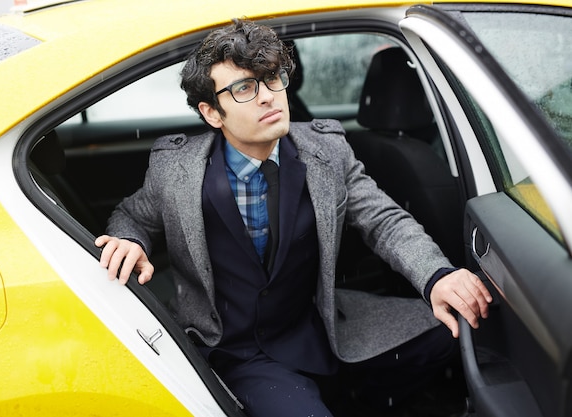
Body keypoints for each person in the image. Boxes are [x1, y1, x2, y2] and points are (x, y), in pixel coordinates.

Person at [95, 19, 492, 417]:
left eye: (272, 78)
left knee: (459, 326)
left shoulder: (326, 151)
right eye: (244, 88)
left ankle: (365, 398)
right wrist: (130, 240)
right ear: (212, 112)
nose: (268, 97)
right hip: (237, 350)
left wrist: (437, 276)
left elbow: (384, 221)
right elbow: (133, 216)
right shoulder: (177, 171)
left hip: (318, 322)